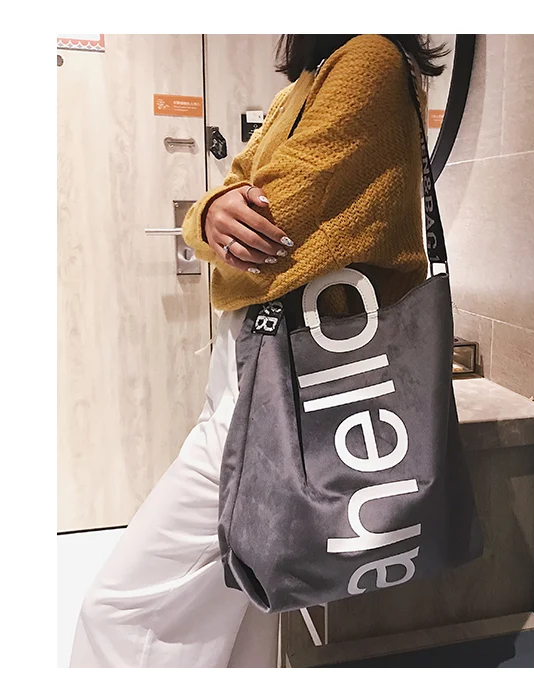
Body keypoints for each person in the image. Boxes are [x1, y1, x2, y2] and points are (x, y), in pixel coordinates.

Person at [70, 33, 447, 668]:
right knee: (243, 601)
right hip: (263, 368)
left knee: (118, 609)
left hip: (294, 379)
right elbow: (229, 195)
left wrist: (215, 223)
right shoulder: (304, 85)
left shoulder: (369, 61)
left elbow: (270, 229)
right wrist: (211, 213)